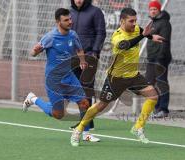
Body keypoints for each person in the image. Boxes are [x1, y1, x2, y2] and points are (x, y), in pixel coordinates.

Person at [70, 7, 165, 147]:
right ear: (122, 21)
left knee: (153, 96)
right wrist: (143, 36)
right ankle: (79, 129)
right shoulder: (117, 36)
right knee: (101, 105)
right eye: (131, 21)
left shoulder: (136, 29)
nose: (134, 24)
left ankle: (138, 127)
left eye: (135, 21)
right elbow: (125, 45)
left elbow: (142, 31)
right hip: (116, 79)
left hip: (133, 76)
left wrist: (151, 36)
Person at [22, 8, 93, 138]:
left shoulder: (73, 35)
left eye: (70, 19)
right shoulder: (50, 37)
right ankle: (33, 99)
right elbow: (33, 53)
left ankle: (86, 134)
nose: (70, 22)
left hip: (69, 77)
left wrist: (82, 61)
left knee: (84, 103)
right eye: (66, 20)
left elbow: (79, 49)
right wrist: (36, 51)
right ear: (58, 22)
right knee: (58, 114)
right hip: (54, 81)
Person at [69, 0, 106, 138]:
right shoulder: (70, 13)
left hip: (89, 56)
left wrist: (95, 52)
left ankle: (85, 126)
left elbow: (101, 33)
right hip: (72, 57)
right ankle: (84, 122)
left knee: (86, 90)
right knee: (76, 90)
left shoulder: (95, 12)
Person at [145, 0, 172, 118]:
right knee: (151, 84)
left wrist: (161, 57)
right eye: (151, 9)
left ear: (159, 10)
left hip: (160, 58)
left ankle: (163, 109)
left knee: (161, 83)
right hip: (151, 58)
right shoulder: (152, 23)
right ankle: (155, 108)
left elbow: (164, 41)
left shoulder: (164, 23)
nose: (152, 11)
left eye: (155, 9)